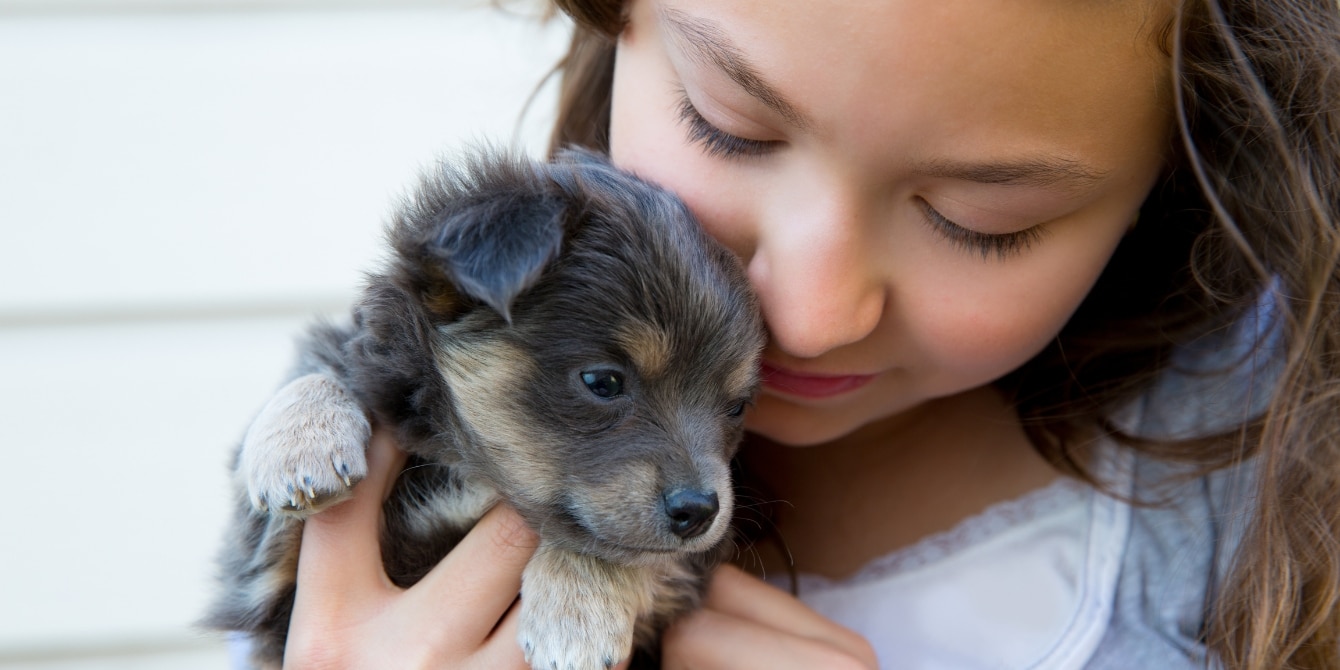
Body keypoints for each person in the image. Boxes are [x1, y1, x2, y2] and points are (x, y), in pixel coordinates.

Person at [277, 0, 1340, 668]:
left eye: (978, 221)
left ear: (1183, 174)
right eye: (726, 127)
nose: (807, 314)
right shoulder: (417, 404)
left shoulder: (1276, 470)